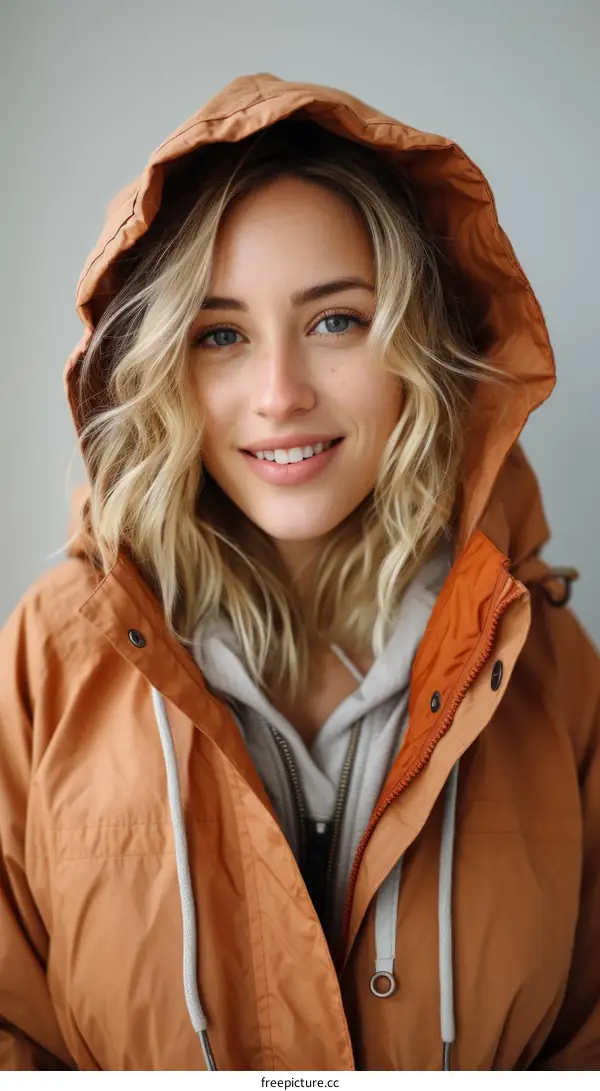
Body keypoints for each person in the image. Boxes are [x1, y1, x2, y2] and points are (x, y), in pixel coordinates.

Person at [0, 72, 598, 1073]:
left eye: (336, 321)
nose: (278, 394)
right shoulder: (53, 656)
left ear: (419, 342)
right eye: (220, 334)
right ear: (156, 366)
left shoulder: (544, 664)